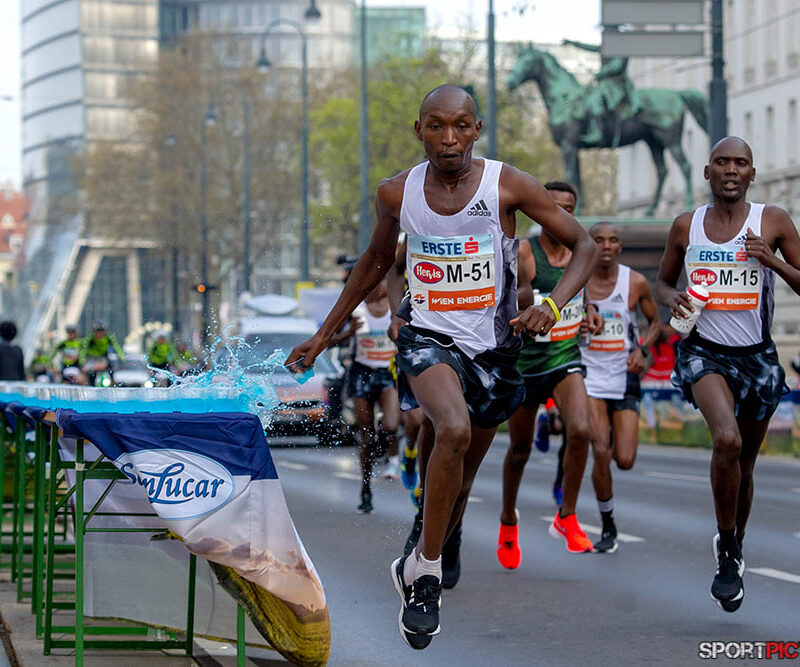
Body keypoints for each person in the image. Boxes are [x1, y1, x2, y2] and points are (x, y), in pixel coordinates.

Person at [286, 84, 597, 649]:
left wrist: (551, 306)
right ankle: (426, 576)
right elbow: (375, 260)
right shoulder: (397, 192)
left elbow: (586, 247)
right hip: (427, 339)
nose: (448, 138)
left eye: (459, 126)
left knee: (462, 476)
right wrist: (323, 333)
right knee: (451, 429)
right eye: (436, 126)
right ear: (419, 130)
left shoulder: (508, 185)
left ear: (476, 130)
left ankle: (420, 551)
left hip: (495, 349)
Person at [656, 136, 800, 613]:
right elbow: (663, 282)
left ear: (752, 174)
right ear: (708, 172)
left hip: (757, 357)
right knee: (727, 440)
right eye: (722, 162)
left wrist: (771, 260)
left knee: (747, 466)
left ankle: (733, 543)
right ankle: (727, 547)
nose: (731, 169)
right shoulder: (686, 225)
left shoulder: (772, 221)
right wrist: (672, 298)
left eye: (740, 163)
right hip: (705, 353)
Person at [497, 180, 602, 569]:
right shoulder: (526, 251)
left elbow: (584, 294)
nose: (561, 214)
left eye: (568, 208)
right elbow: (517, 296)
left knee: (582, 431)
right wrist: (532, 304)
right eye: (554, 207)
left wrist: (589, 312)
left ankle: (567, 516)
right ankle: (508, 519)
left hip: (564, 356)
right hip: (526, 364)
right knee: (520, 450)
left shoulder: (582, 250)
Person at [580, 221, 660, 553]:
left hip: (624, 375)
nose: (607, 246)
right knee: (600, 450)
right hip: (589, 375)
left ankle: (605, 434)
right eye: (599, 240)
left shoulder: (635, 282)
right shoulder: (577, 279)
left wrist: (643, 350)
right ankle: (608, 524)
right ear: (590, 245)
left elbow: (655, 322)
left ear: (620, 248)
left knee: (624, 459)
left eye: (613, 240)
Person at [345, 280, 401, 513]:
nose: (378, 286)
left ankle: (385, 446)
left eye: (383, 280)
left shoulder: (395, 304)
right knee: (366, 436)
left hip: (388, 372)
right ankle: (366, 489)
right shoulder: (356, 307)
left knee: (391, 424)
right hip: (362, 372)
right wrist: (349, 332)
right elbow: (333, 339)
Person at [80, 320, 125, 386]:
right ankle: (90, 386)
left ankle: (112, 385)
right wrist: (82, 362)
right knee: (90, 375)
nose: (100, 333)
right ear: (94, 331)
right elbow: (83, 350)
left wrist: (121, 360)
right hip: (92, 359)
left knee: (111, 370)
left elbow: (117, 348)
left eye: (102, 331)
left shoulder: (109, 337)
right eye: (97, 331)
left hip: (103, 358)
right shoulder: (90, 338)